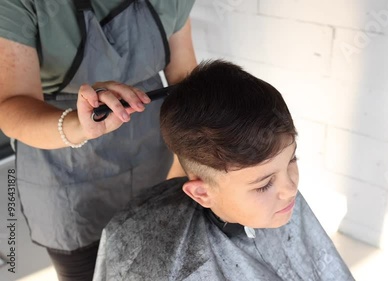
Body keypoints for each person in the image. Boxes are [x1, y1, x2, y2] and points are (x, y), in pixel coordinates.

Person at [93, 60, 355, 281]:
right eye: (264, 184)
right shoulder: (159, 261)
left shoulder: (277, 198)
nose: (290, 190)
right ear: (201, 193)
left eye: (292, 159)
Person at [0, 0, 196, 280]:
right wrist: (79, 124)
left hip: (153, 165)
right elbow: (10, 105)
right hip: (68, 178)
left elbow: (185, 77)